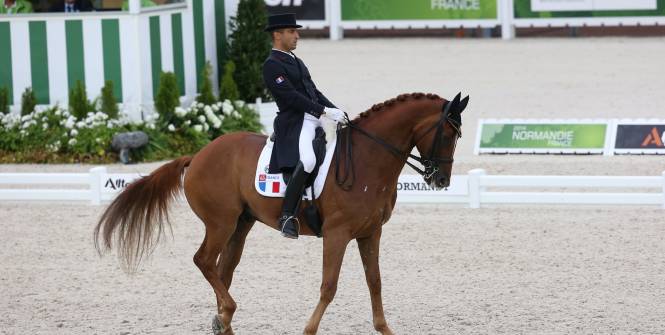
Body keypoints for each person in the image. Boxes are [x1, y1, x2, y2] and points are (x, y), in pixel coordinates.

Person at [262, 13, 346, 239]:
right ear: (277, 35)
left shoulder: (296, 61)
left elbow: (314, 93)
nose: (297, 36)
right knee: (308, 160)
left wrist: (337, 111)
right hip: (295, 122)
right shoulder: (272, 65)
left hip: (314, 117)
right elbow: (290, 97)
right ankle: (287, 215)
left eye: (296, 31)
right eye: (292, 32)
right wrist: (324, 112)